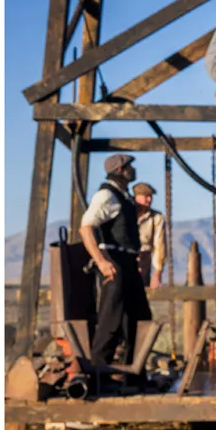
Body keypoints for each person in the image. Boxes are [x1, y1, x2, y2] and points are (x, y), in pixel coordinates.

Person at [78, 154, 152, 367]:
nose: (133, 169)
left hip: (128, 262)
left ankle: (133, 373)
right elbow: (86, 228)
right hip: (114, 261)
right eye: (129, 166)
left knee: (139, 318)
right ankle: (98, 373)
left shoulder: (123, 196)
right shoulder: (106, 196)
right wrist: (101, 261)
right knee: (111, 319)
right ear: (120, 170)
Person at [131, 182, 167, 289]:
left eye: (150, 196)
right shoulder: (126, 213)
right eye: (146, 196)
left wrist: (157, 274)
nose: (149, 200)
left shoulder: (156, 217)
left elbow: (159, 245)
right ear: (136, 197)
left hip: (144, 259)